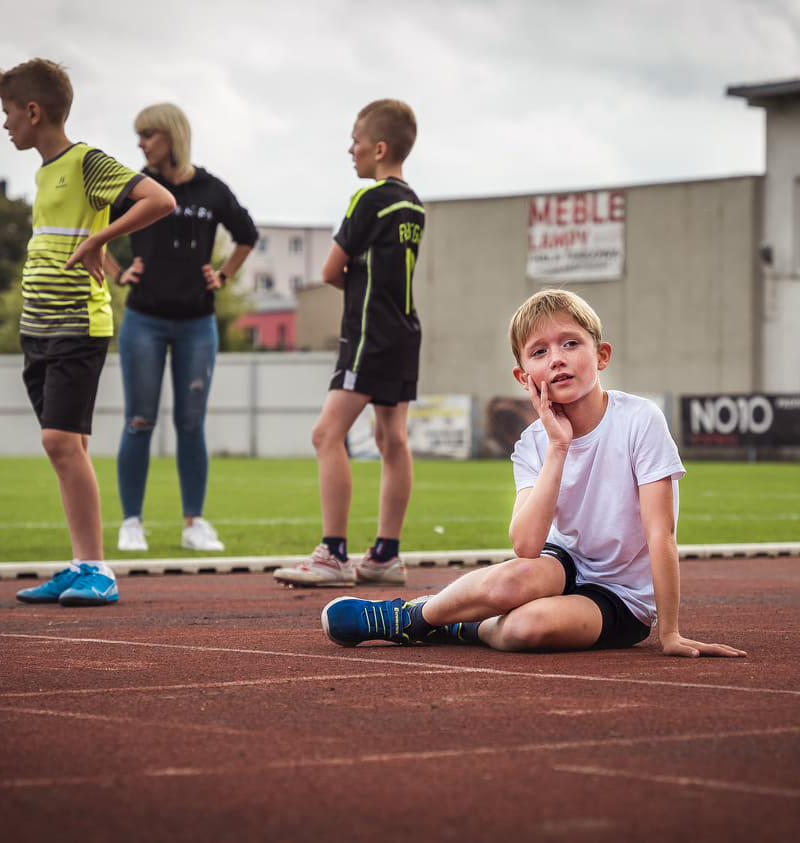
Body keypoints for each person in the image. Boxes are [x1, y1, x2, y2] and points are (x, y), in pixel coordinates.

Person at [320, 289, 747, 657]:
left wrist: (669, 632)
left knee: (530, 627)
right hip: (563, 563)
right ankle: (410, 617)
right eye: (540, 352)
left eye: (570, 344)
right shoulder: (533, 443)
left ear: (601, 355)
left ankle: (457, 624)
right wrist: (558, 447)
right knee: (517, 577)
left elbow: (661, 534)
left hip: (621, 597)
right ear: (525, 377)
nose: (557, 359)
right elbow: (526, 544)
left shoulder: (640, 420)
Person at [0, 58, 175, 606]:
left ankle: (98, 570)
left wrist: (101, 241)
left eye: (7, 113)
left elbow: (159, 201)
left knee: (59, 441)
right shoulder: (44, 172)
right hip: (38, 327)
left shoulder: (86, 161)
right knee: (68, 447)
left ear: (33, 110)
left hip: (77, 323)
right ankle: (80, 563)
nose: (4, 125)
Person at [273, 99, 425, 588]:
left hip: (369, 335)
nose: (350, 150)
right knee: (391, 440)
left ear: (379, 149)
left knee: (326, 434)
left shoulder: (369, 200)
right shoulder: (413, 205)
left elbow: (328, 271)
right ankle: (385, 554)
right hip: (404, 331)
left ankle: (334, 555)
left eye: (356, 141)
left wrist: (357, 287)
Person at [102, 103, 258, 554]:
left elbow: (247, 234)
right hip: (143, 320)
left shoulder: (212, 190)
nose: (141, 143)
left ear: (172, 136)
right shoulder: (135, 187)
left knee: (191, 424)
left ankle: (195, 523)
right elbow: (93, 228)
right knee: (138, 420)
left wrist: (224, 274)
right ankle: (131, 522)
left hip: (197, 323)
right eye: (139, 136)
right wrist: (116, 272)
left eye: (148, 134)